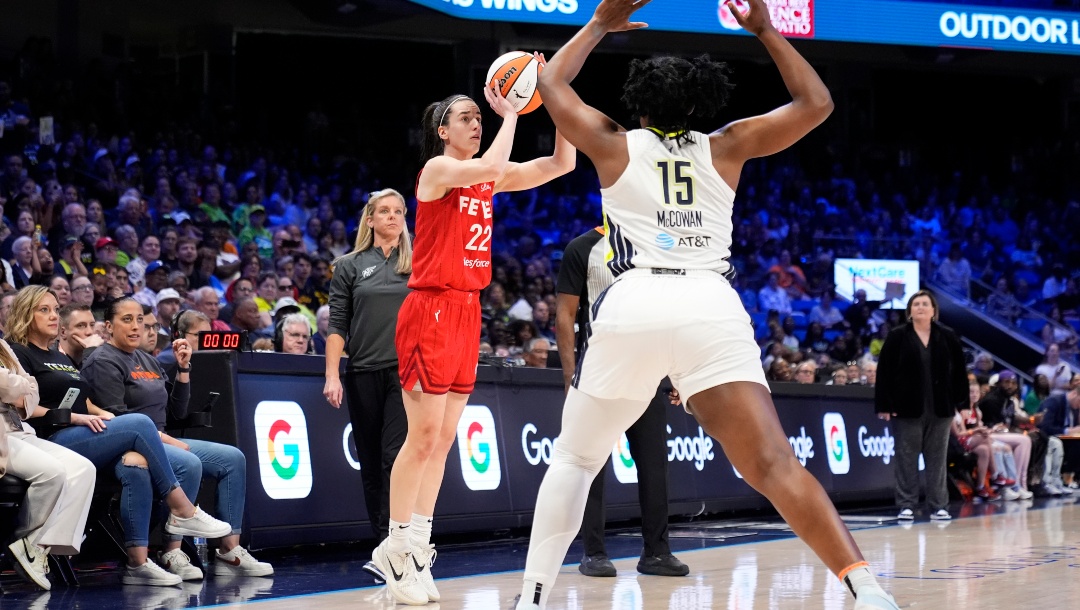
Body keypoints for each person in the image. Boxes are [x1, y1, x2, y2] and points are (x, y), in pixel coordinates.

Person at [517, 2, 897, 609]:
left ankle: (532, 599)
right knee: (772, 465)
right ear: (702, 104)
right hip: (707, 302)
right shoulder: (727, 144)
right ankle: (866, 586)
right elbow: (817, 104)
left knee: (576, 457)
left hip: (635, 299)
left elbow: (551, 82)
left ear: (639, 105)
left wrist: (597, 24)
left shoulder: (614, 142)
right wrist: (767, 32)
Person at [373, 74, 575, 606]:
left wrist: (558, 101)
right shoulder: (438, 170)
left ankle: (419, 545)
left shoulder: (484, 179)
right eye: (466, 116)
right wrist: (512, 110)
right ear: (443, 129)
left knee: (443, 441)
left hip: (466, 310)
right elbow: (488, 165)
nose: (476, 121)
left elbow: (561, 165)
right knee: (421, 439)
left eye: (477, 116)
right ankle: (393, 550)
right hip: (430, 307)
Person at [7, 285, 232, 586]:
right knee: (139, 423)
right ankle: (182, 509)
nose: (53, 316)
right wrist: (80, 417)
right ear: (25, 314)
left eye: (55, 310)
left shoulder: (56, 354)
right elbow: (21, 405)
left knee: (134, 465)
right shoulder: (17, 352)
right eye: (43, 310)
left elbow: (80, 397)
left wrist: (102, 414)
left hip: (83, 429)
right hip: (50, 436)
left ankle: (138, 563)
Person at [82, 297, 274, 579]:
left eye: (140, 321)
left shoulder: (146, 359)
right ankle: (172, 552)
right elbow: (120, 423)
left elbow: (175, 412)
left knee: (232, 458)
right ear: (109, 326)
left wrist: (183, 370)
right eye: (127, 320)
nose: (136, 327)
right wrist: (171, 443)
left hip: (162, 439)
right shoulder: (103, 361)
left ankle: (229, 551)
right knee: (187, 462)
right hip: (129, 446)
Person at [555, 226, 687, 579]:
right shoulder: (582, 247)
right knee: (592, 464)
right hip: (598, 371)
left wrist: (675, 371)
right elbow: (565, 315)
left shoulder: (656, 246)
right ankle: (593, 553)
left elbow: (669, 315)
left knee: (655, 465)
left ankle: (657, 553)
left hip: (649, 370)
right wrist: (570, 377)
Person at [322, 188, 412, 582]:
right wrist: (331, 374)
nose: (392, 217)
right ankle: (382, 544)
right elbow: (337, 324)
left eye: (398, 211)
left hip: (407, 374)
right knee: (372, 464)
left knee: (396, 458)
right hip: (361, 372)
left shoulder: (420, 264)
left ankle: (399, 545)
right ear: (370, 219)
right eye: (384, 211)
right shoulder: (349, 265)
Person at [1, 335, 96, 590]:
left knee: (84, 469)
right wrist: (19, 387)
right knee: (52, 472)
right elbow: (9, 386)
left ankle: (36, 546)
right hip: (1, 437)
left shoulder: (3, 344)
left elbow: (32, 394)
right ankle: (24, 541)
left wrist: (19, 388)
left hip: (19, 428)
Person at [876, 290, 968, 521]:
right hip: (906, 407)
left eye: (925, 304)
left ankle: (939, 505)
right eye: (916, 304)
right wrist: (884, 404)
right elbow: (884, 372)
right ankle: (906, 504)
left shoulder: (947, 336)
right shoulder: (897, 336)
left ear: (933, 311)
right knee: (906, 457)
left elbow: (959, 372)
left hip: (941, 407)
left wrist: (963, 403)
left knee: (937, 458)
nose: (920, 307)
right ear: (909, 311)